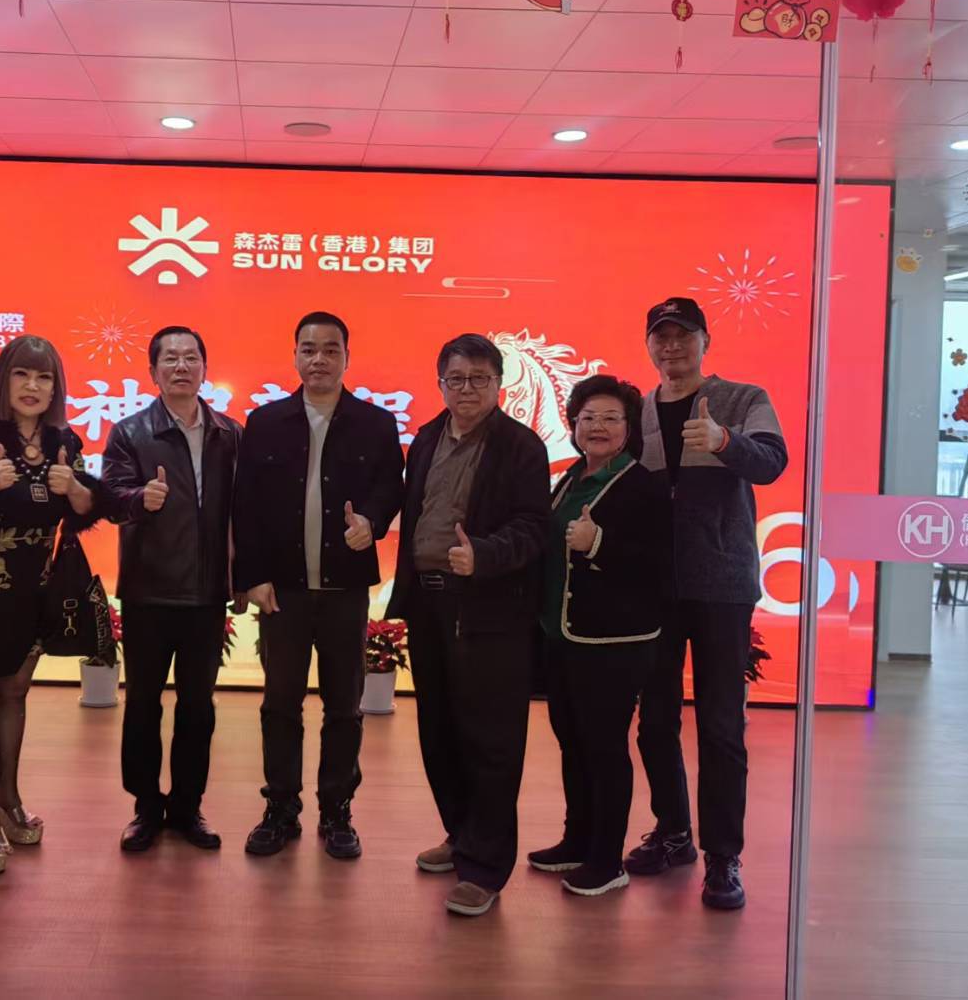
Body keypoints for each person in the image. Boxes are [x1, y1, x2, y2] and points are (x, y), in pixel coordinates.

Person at [629, 297, 788, 911]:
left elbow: (772, 462)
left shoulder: (742, 398)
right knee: (655, 720)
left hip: (721, 584)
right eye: (661, 336)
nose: (671, 346)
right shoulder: (640, 408)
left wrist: (724, 441)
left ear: (705, 341)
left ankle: (724, 856)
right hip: (654, 587)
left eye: (683, 335)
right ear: (649, 344)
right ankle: (674, 834)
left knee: (721, 726)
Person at [387, 333, 550, 917]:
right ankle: (461, 835)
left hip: (489, 609)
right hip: (429, 604)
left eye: (479, 379)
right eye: (455, 379)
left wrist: (484, 554)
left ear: (498, 384)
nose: (467, 390)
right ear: (440, 384)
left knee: (491, 739)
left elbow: (535, 527)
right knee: (440, 731)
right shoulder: (426, 438)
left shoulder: (521, 446)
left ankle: (485, 867)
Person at [233, 311, 404, 860]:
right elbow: (246, 506)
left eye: (331, 349)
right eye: (309, 349)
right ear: (295, 356)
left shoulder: (375, 423)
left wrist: (371, 522)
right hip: (282, 591)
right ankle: (280, 808)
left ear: (347, 357)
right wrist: (252, 577)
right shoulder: (265, 422)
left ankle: (337, 811)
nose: (319, 359)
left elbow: (391, 486)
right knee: (279, 704)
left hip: (344, 591)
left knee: (344, 707)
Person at [0, 335, 100, 874]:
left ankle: (6, 792)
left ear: (56, 387)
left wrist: (74, 489)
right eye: (22, 375)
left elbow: (84, 511)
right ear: (2, 382)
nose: (33, 386)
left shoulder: (65, 441)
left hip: (38, 587)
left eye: (43, 377)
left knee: (16, 692)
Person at [527, 375, 668, 898]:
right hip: (562, 634)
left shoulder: (643, 485)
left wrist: (599, 541)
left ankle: (608, 860)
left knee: (605, 747)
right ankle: (577, 840)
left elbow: (658, 563)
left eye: (610, 418)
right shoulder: (569, 478)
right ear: (574, 424)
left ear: (629, 428)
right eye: (588, 418)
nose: (598, 427)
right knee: (572, 741)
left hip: (614, 642)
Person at [102, 326, 242, 853]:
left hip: (206, 594)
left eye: (190, 358)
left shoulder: (230, 434)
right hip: (149, 591)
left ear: (204, 368)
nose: (181, 367)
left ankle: (187, 806)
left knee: (198, 707)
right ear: (153, 371)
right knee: (142, 704)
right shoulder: (130, 432)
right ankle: (145, 807)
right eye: (170, 359)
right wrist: (141, 498)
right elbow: (110, 498)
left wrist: (242, 577)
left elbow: (244, 513)